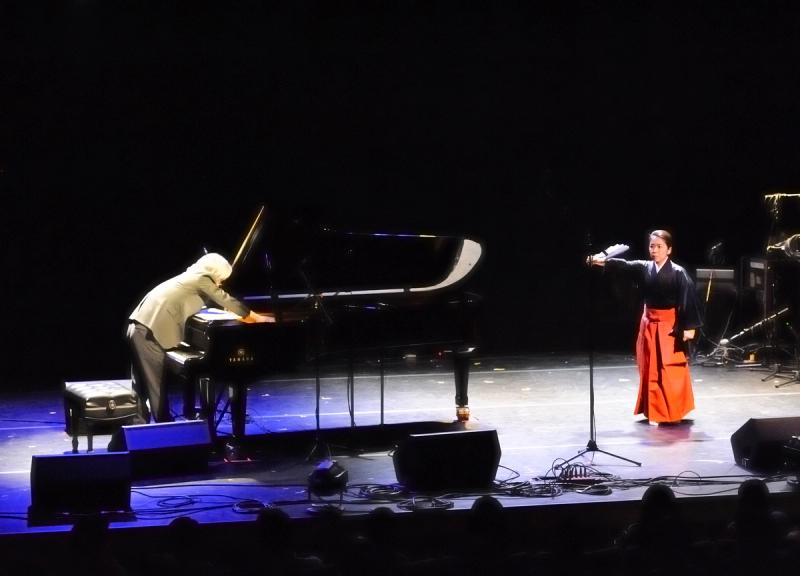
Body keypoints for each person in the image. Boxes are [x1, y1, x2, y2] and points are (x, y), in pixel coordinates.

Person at [127, 252, 274, 423]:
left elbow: (207, 299)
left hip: (139, 326)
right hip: (147, 331)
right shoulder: (201, 279)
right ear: (215, 273)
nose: (220, 283)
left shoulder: (191, 277)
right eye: (221, 278)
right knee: (156, 388)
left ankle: (134, 432)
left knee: (141, 388)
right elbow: (224, 298)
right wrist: (257, 318)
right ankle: (166, 435)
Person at [589, 230, 702, 424]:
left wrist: (689, 327)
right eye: (652, 246)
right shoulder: (645, 267)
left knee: (669, 368)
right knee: (650, 368)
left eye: (659, 246)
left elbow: (688, 300)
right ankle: (654, 410)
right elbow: (624, 266)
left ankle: (672, 410)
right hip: (648, 323)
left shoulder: (678, 272)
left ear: (669, 249)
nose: (655, 250)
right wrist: (599, 260)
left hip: (669, 326)